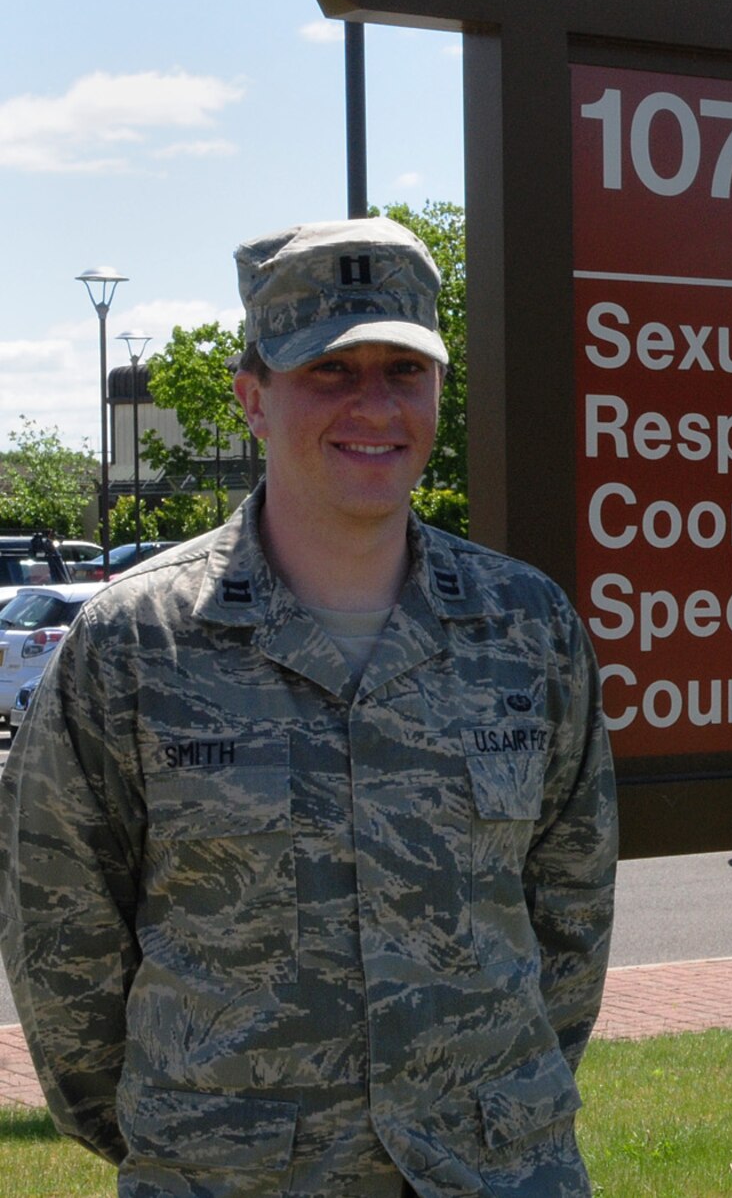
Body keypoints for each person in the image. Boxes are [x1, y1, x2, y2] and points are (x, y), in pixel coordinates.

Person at [1, 217, 618, 1197]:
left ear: (438, 393)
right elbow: (62, 949)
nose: (374, 404)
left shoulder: (526, 628)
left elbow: (571, 920)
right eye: (330, 371)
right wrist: (196, 1136)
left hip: (495, 1172)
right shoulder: (135, 645)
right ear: (253, 398)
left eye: (402, 371)